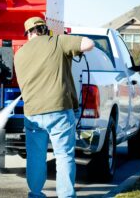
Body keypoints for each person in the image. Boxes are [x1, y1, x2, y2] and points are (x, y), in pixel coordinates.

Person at [14, 17, 94, 198]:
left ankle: (35, 194)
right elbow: (88, 44)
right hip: (59, 111)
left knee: (35, 157)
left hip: (32, 113)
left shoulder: (19, 54)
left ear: (28, 34)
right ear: (44, 29)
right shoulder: (58, 41)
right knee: (64, 156)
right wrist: (66, 41)